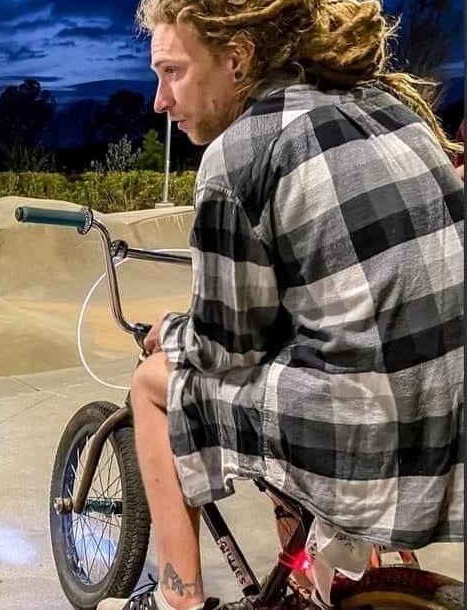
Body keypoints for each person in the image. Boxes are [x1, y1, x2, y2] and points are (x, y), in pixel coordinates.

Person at [99, 1, 464, 609]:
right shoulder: (389, 109)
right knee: (296, 372)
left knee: (153, 383)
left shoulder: (240, 151)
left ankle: (177, 597)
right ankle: (316, 578)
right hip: (449, 417)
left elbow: (224, 346)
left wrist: (172, 330)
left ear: (236, 59)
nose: (159, 101)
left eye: (172, 72)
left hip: (367, 438)